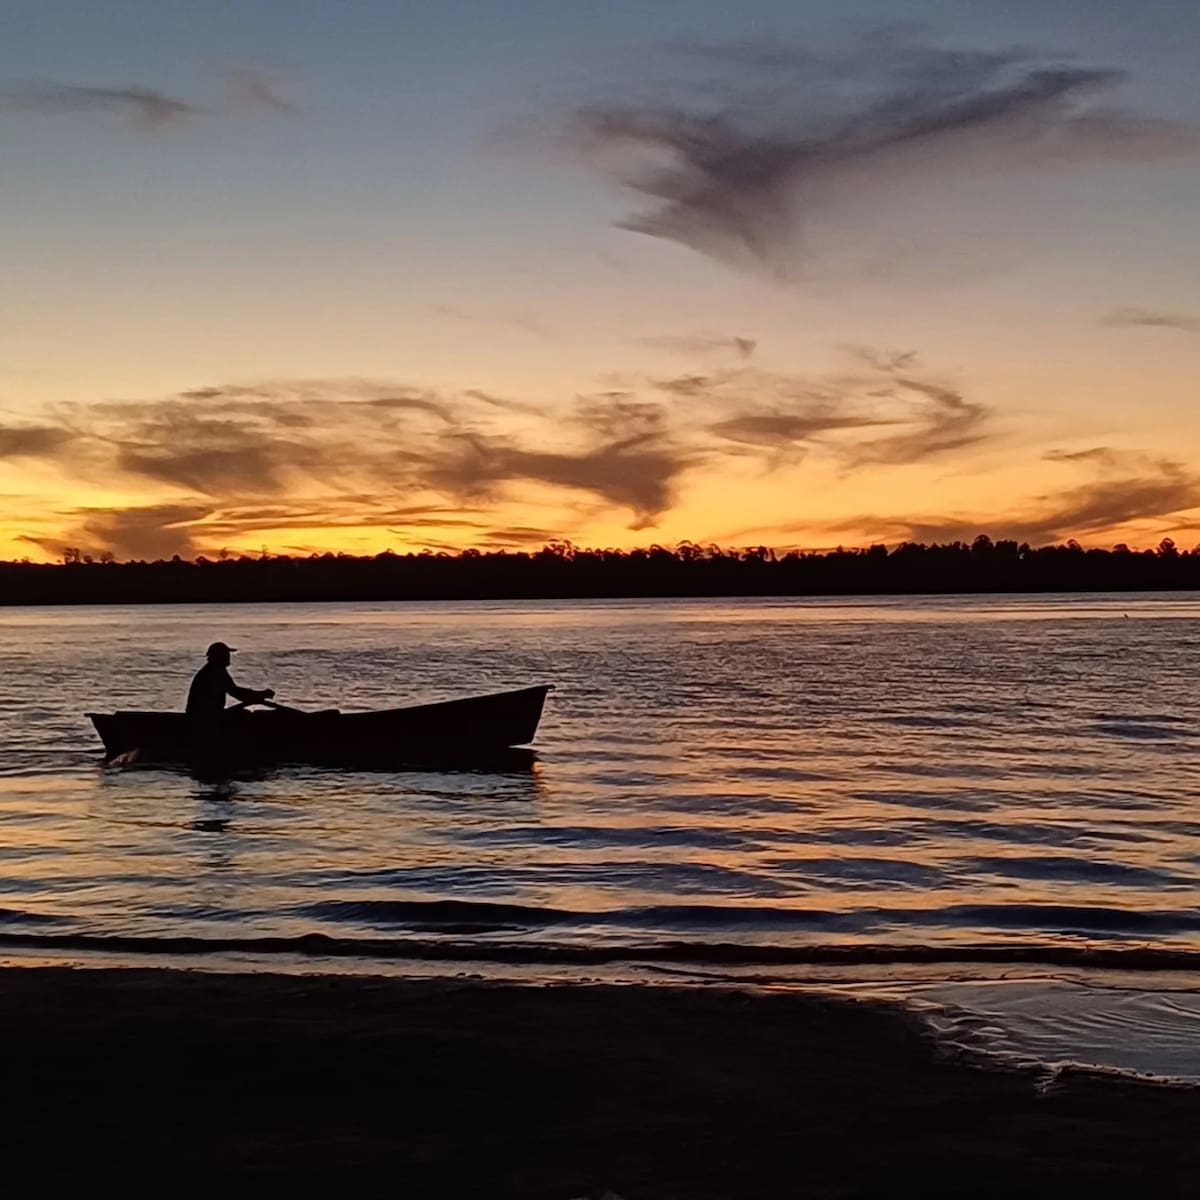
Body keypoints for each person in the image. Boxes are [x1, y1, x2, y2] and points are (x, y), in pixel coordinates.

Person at [186, 642, 275, 718]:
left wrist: (258, 695)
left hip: (206, 715)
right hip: (206, 717)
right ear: (220, 656)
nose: (228, 657)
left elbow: (236, 692)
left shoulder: (213, 670)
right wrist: (261, 694)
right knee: (244, 716)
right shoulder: (216, 672)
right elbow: (236, 693)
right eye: (226, 654)